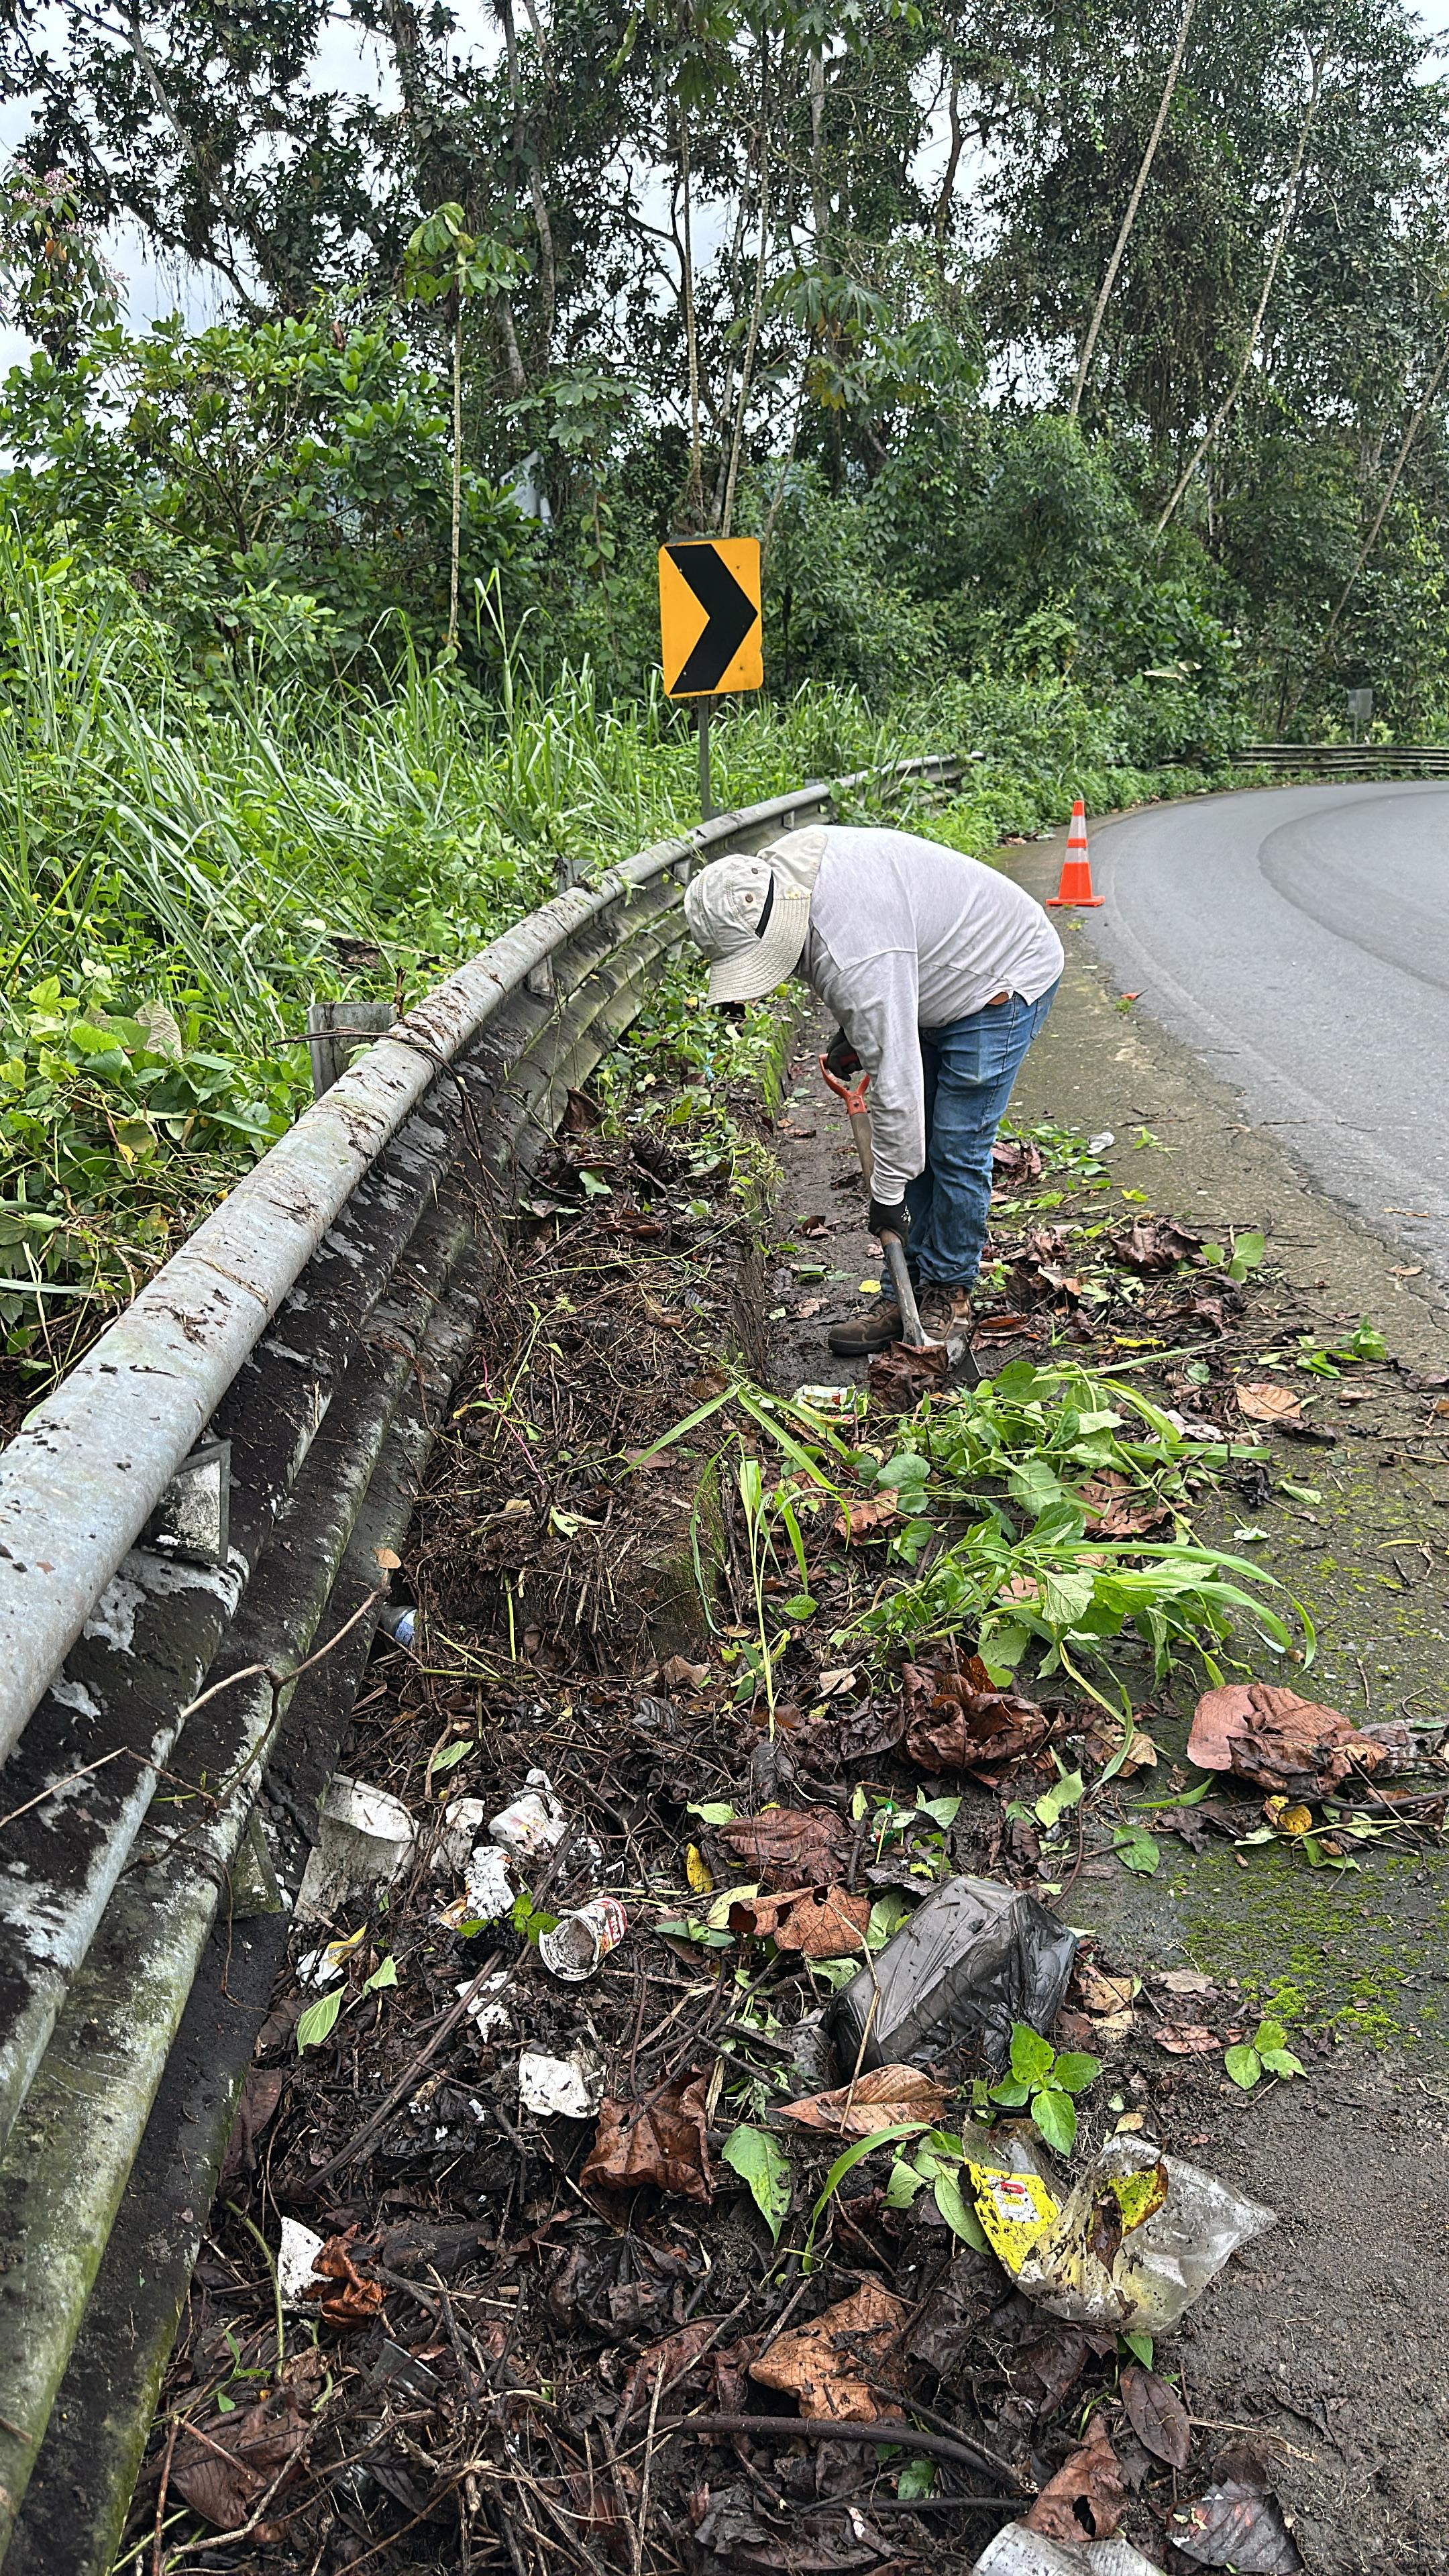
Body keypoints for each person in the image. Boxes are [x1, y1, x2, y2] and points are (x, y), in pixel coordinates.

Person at [682, 821, 1063, 1354]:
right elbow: (873, 979)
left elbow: (896, 1093)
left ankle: (949, 1292)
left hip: (1001, 973)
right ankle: (902, 1296)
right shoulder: (778, 879)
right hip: (929, 971)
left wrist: (886, 1200)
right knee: (919, 1145)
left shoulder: (855, 949)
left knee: (954, 1146)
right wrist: (856, 1032)